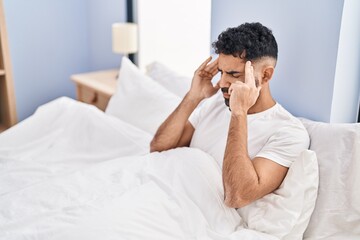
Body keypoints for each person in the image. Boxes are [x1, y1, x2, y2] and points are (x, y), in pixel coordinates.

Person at [150, 22, 309, 208]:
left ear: (265, 75)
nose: (222, 83)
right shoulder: (217, 102)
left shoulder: (288, 132)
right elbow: (159, 148)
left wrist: (239, 112)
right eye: (221, 72)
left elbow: (237, 196)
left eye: (233, 74)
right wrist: (193, 96)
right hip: (162, 190)